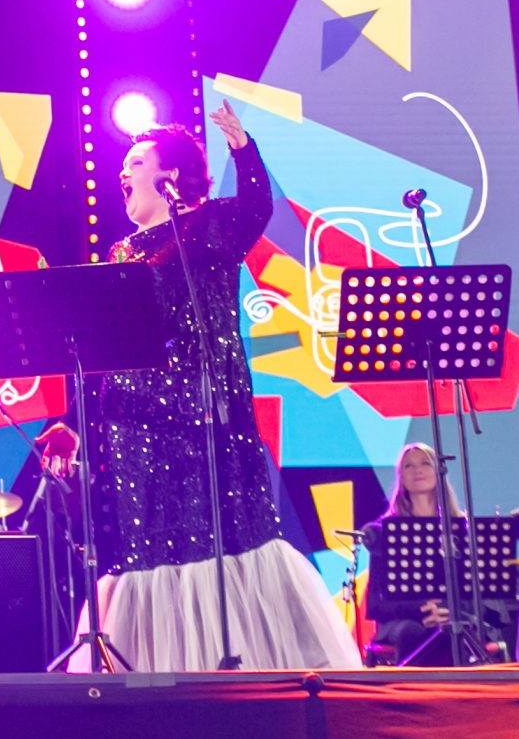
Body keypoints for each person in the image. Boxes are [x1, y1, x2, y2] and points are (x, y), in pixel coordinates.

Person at [56, 104, 360, 671]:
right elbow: (99, 351)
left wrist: (243, 148)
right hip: (137, 423)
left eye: (136, 161)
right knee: (152, 540)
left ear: (169, 176)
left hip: (207, 409)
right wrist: (73, 424)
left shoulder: (209, 225)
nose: (123, 171)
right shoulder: (121, 253)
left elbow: (257, 206)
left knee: (223, 530)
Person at [361, 442, 465, 662]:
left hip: (451, 613)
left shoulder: (460, 527)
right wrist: (422, 609)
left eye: (425, 463)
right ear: (401, 477)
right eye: (409, 466)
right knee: (414, 633)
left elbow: (473, 591)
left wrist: (445, 610)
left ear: (439, 471)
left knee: (458, 630)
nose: (417, 470)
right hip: (402, 620)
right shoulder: (384, 532)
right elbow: (375, 605)